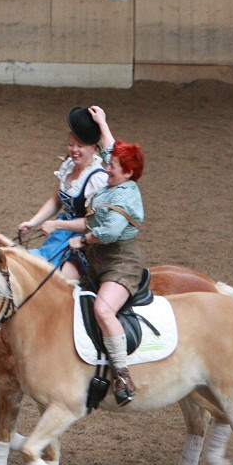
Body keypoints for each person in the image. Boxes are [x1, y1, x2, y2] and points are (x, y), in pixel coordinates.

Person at [66, 105, 146, 406]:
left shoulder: (125, 195)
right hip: (98, 261)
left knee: (102, 310)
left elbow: (110, 232)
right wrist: (102, 123)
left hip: (119, 264)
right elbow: (113, 149)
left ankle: (123, 375)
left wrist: (83, 239)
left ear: (127, 173)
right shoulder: (118, 178)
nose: (106, 167)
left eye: (112, 166)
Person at [17, 107, 109, 273]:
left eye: (80, 146)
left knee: (63, 277)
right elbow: (56, 200)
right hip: (63, 234)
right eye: (70, 144)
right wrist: (33, 222)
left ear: (93, 148)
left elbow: (94, 223)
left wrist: (58, 224)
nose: (74, 150)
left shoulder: (97, 179)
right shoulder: (68, 166)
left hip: (87, 239)